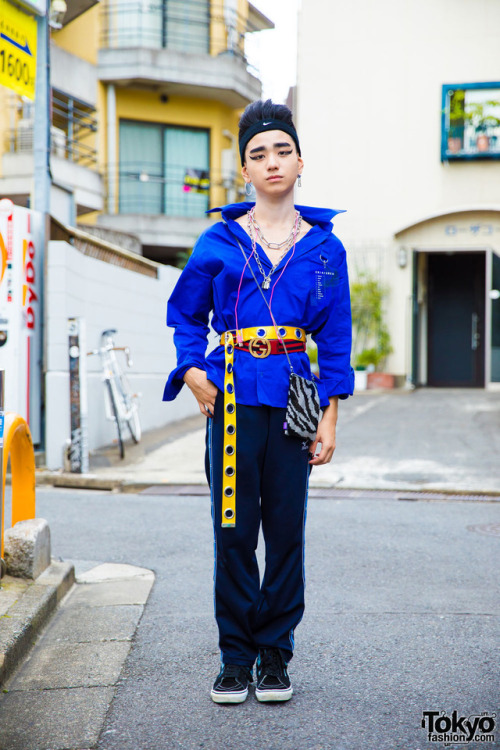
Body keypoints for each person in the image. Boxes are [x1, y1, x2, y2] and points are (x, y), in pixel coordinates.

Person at [163, 99, 354, 704]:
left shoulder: (326, 249)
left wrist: (330, 415)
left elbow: (338, 340)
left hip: (295, 398)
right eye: (258, 153)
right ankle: (235, 657)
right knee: (234, 530)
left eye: (282, 150)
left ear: (300, 161)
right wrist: (193, 369)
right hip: (233, 400)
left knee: (287, 530)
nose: (271, 162)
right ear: (244, 170)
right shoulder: (218, 240)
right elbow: (185, 314)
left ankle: (275, 656)